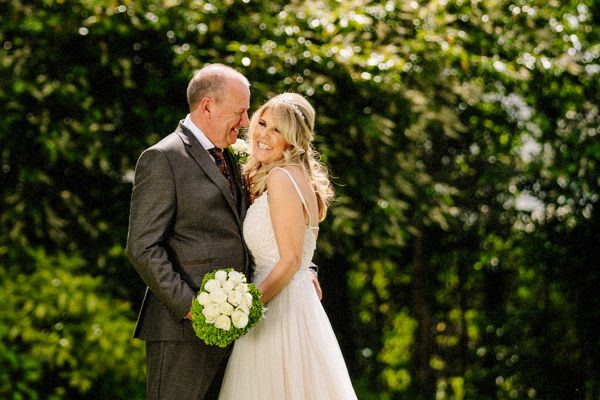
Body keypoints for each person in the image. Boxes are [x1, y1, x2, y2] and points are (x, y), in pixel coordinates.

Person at [218, 93, 358, 399]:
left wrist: (246, 309)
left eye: (277, 130)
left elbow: (291, 259)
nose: (263, 134)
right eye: (262, 123)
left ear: (292, 142)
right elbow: (303, 254)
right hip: (296, 301)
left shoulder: (282, 178)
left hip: (278, 308)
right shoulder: (299, 177)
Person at [126, 64, 253, 399]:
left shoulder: (235, 157)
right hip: (181, 332)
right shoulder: (162, 158)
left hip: (239, 330)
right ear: (207, 106)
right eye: (239, 112)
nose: (246, 123)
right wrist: (192, 309)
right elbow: (143, 246)